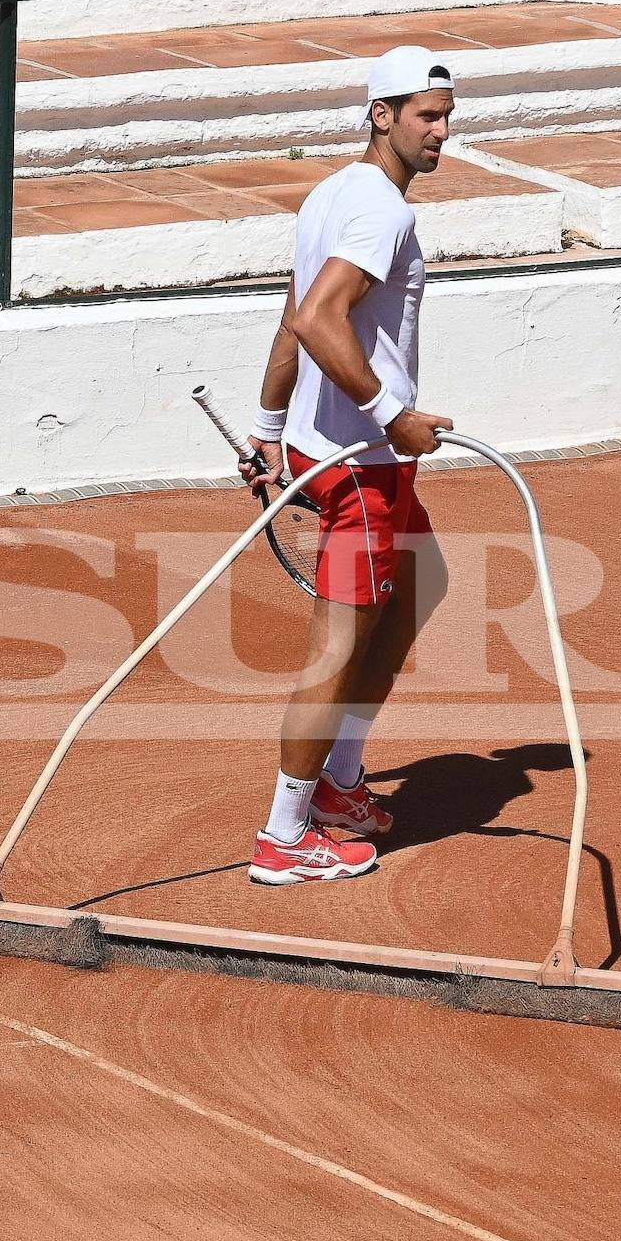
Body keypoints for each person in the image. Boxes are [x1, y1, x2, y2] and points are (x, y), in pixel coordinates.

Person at [241, 46, 456, 885]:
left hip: (332, 450)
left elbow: (294, 315)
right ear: (381, 116)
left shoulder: (331, 193)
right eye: (425, 117)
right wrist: (391, 415)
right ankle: (284, 834)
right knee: (336, 649)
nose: (440, 133)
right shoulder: (381, 213)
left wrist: (267, 426)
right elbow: (323, 318)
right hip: (360, 462)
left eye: (446, 117)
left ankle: (339, 784)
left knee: (422, 583)